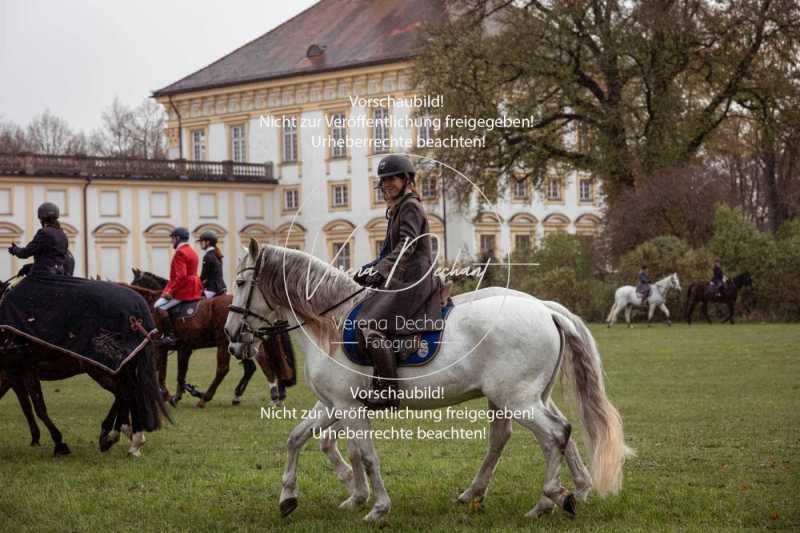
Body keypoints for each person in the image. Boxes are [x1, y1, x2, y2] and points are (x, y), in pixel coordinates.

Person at [354, 154, 443, 410]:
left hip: (414, 278)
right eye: (383, 180)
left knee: (369, 323)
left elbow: (407, 244)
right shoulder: (396, 209)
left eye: (392, 178)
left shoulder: (410, 206)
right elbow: (387, 252)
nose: (387, 184)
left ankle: (389, 393)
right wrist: (368, 269)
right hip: (400, 276)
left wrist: (382, 270)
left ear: (406, 180)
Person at [153, 227, 202, 346]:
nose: (171, 242)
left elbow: (181, 276)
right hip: (194, 287)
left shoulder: (180, 252)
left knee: (158, 306)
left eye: (172, 239)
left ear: (178, 238)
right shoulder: (192, 251)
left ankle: (170, 335)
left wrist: (170, 291)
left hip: (184, 289)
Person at [8, 202, 70, 276]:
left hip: (43, 275)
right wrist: (29, 267)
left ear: (41, 218)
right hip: (59, 273)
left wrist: (15, 249)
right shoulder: (63, 234)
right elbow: (53, 259)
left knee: (16, 287)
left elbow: (25, 253)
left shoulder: (44, 232)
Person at [197, 230, 226, 298]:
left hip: (211, 289)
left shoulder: (208, 256)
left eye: (202, 241)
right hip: (221, 287)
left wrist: (195, 284)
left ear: (208, 242)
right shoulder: (216, 254)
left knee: (194, 302)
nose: (200, 243)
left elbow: (203, 276)